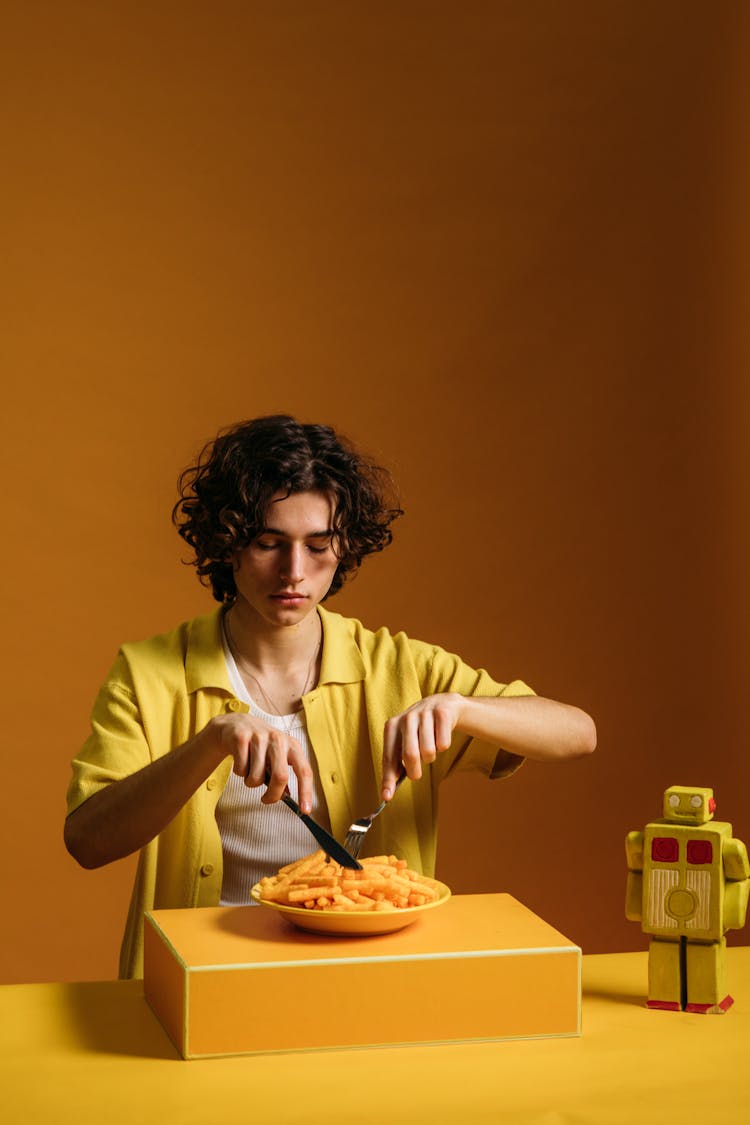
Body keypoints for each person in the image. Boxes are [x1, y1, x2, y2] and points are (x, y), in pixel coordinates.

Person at [64, 415, 596, 977]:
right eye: (269, 543)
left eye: (318, 546)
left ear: (344, 548)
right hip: (200, 976)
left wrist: (464, 708)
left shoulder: (395, 665)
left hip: (374, 979)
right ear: (228, 544)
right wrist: (210, 743)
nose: (294, 572)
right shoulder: (149, 672)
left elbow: (579, 733)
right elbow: (87, 841)